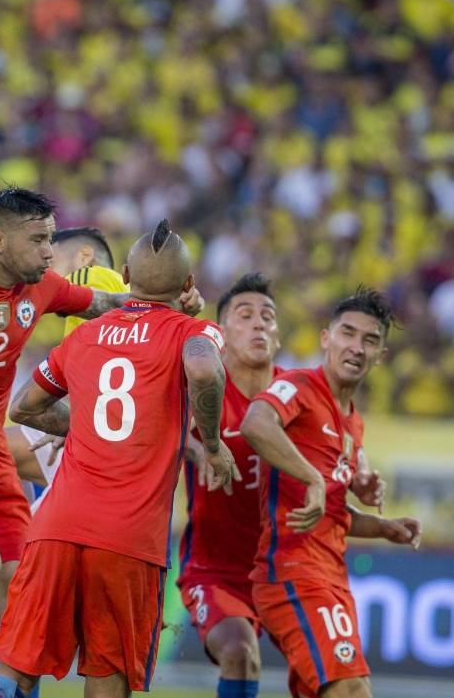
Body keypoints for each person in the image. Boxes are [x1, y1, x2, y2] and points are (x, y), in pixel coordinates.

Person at [0, 191, 203, 698]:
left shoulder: (52, 289)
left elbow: (112, 307)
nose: (47, 252)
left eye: (51, 242)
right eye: (39, 240)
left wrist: (173, 300)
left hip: (10, 459)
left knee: (21, 604)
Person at [0, 220, 239, 698]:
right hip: (128, 539)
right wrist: (214, 445)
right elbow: (203, 368)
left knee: (13, 671)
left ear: (127, 275)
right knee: (107, 678)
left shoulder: (84, 335)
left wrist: (84, 425)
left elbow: (24, 406)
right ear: (188, 284)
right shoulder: (194, 331)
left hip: (57, 527)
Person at [241, 289, 422, 698]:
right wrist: (314, 478)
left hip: (331, 578)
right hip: (293, 574)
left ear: (381, 356)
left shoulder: (353, 424)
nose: (356, 347)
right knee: (351, 690)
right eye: (348, 333)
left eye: (369, 340)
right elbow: (255, 423)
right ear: (326, 338)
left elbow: (331, 510)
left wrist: (383, 527)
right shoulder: (299, 386)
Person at [176, 273, 281, 698]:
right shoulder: (203, 390)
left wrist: (359, 472)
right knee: (239, 651)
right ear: (220, 332)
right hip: (215, 572)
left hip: (284, 569)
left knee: (330, 673)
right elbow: (162, 426)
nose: (259, 323)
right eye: (246, 314)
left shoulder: (297, 395)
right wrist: (198, 447)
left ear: (278, 334)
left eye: (267, 316)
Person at [6, 226, 129, 491]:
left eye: (51, 259)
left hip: (102, 442)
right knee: (0, 461)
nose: (43, 268)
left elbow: (90, 366)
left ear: (84, 256)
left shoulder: (92, 276)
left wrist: (70, 423)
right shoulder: (116, 296)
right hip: (114, 437)